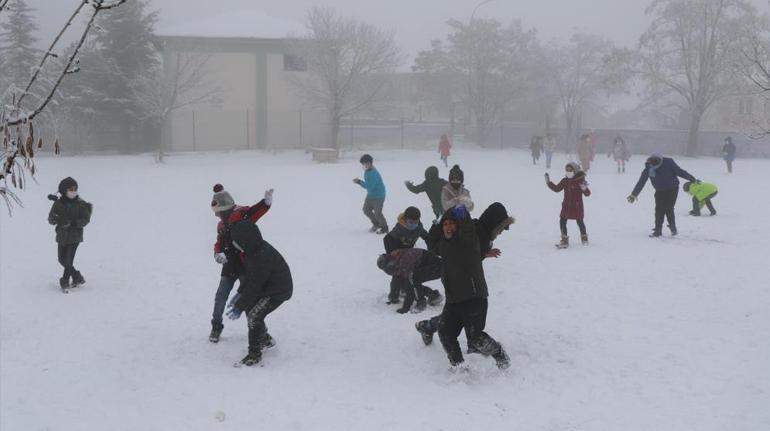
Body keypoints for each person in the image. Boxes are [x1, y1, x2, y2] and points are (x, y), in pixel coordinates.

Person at [420, 205, 510, 370]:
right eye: (445, 225)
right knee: (445, 332)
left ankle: (499, 354)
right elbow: (431, 243)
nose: (448, 227)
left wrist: (464, 216)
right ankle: (458, 366)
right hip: (454, 299)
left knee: (475, 338)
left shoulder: (467, 240)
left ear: (458, 226)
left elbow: (468, 231)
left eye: (452, 224)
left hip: (474, 297)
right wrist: (437, 222)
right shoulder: (444, 245)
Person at [209, 184, 273, 343]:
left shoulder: (242, 215)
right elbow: (220, 242)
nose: (217, 217)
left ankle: (262, 334)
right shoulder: (221, 225)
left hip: (246, 265)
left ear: (225, 209)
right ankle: (216, 326)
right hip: (230, 265)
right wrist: (218, 253)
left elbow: (255, 211)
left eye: (218, 213)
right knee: (220, 296)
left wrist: (265, 203)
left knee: (249, 299)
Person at [225, 221, 293, 367]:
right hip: (267, 287)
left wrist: (240, 305)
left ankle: (254, 354)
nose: (235, 244)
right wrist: (239, 294)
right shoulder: (252, 251)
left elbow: (255, 285)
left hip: (278, 291)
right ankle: (265, 339)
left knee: (254, 315)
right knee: (251, 308)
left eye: (236, 241)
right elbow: (249, 277)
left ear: (245, 240)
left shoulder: (261, 256)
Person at [627, 152, 698, 237]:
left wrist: (692, 179)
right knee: (659, 210)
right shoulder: (648, 168)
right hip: (660, 190)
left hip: (672, 188)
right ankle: (658, 230)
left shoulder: (669, 163)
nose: (654, 166)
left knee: (669, 208)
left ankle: (672, 227)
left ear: (660, 161)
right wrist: (633, 195)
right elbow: (641, 182)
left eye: (656, 164)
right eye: (652, 164)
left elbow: (680, 172)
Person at [47, 177, 92, 292]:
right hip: (61, 236)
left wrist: (73, 223)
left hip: (75, 236)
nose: (73, 191)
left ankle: (65, 281)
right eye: (70, 189)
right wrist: (55, 219)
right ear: (64, 190)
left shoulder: (81, 204)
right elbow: (51, 218)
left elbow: (86, 219)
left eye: (75, 189)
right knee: (61, 260)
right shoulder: (58, 204)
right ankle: (77, 277)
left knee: (68, 261)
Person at [377, 248, 443, 314]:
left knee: (413, 279)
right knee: (406, 279)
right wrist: (393, 296)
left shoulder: (405, 261)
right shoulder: (396, 258)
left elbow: (410, 284)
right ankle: (434, 295)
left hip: (438, 267)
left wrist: (405, 308)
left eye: (388, 267)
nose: (388, 270)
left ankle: (421, 302)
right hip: (427, 265)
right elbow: (397, 278)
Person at [545, 162, 591, 248]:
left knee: (580, 222)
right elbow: (557, 188)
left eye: (570, 170)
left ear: (575, 171)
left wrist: (584, 188)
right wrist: (548, 183)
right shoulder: (565, 181)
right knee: (562, 221)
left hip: (577, 206)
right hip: (566, 206)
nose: (568, 171)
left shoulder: (581, 181)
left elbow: (588, 194)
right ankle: (564, 240)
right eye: (567, 170)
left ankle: (584, 238)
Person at [353, 154, 388, 234]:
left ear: (370, 163)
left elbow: (369, 186)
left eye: (365, 163)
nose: (364, 165)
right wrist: (360, 182)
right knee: (366, 210)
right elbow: (369, 186)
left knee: (378, 213)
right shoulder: (367, 171)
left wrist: (359, 182)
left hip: (379, 196)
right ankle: (376, 224)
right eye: (363, 164)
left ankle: (384, 227)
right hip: (370, 195)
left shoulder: (374, 173)